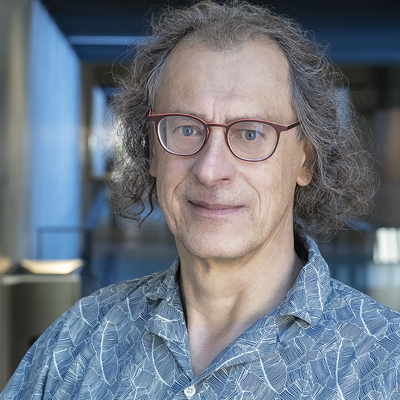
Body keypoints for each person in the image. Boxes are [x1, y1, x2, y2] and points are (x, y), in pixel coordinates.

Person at [2, 1, 400, 399]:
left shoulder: (385, 366)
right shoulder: (76, 341)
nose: (210, 170)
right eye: (186, 129)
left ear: (305, 160)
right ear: (152, 151)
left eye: (250, 133)